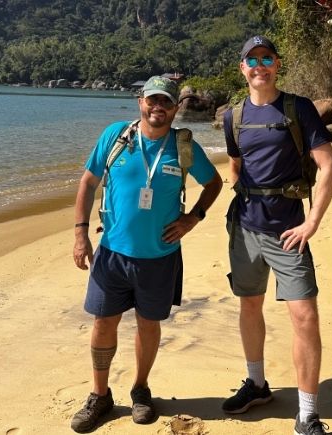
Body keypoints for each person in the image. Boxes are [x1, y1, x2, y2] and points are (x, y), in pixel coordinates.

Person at [69, 75, 223, 433]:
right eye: (152, 100)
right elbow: (88, 182)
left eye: (166, 101)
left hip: (160, 256)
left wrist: (193, 218)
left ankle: (140, 390)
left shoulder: (183, 146)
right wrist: (80, 234)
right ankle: (100, 395)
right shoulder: (116, 136)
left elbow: (214, 182)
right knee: (103, 323)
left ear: (176, 108)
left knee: (148, 324)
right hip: (112, 253)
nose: (158, 107)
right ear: (141, 101)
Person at [221, 36, 332, 435]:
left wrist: (312, 222)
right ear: (243, 68)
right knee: (249, 305)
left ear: (277, 64)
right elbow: (236, 165)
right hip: (245, 230)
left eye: (267, 58)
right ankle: (256, 384)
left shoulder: (298, 108)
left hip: (289, 231)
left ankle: (307, 414)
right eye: (252, 60)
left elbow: (329, 166)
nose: (260, 66)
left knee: (305, 316)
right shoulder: (233, 117)